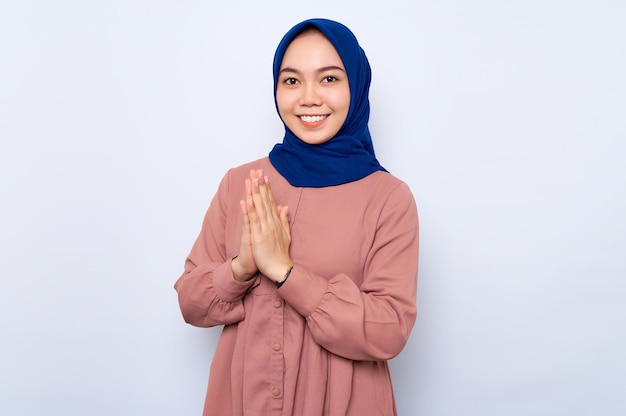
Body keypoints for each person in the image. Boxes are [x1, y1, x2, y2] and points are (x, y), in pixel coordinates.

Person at [174, 18, 419, 416]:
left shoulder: (389, 199)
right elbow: (189, 302)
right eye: (291, 81)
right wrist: (241, 268)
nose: (308, 98)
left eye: (329, 79)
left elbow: (389, 329)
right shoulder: (241, 183)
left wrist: (287, 273)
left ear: (355, 87)